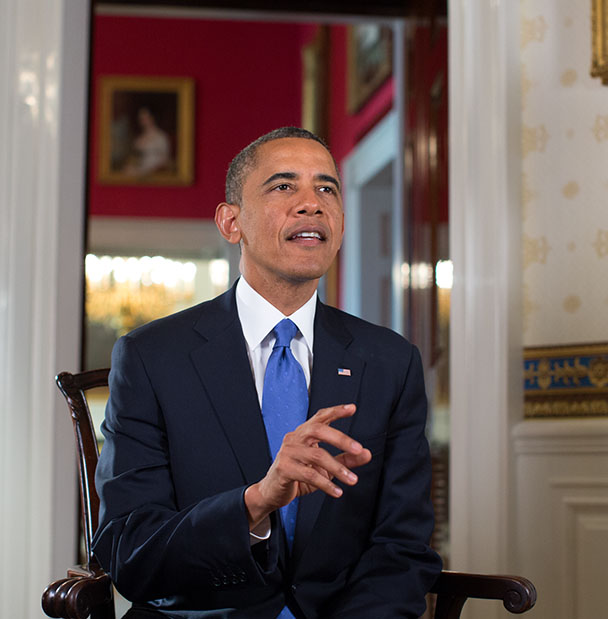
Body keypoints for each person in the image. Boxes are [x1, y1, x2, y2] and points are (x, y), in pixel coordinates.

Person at [94, 127, 441, 618]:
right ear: (230, 222)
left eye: (327, 188)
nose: (311, 204)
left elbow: (402, 548)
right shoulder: (151, 358)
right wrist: (255, 503)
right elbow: (131, 552)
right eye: (283, 186)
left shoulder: (391, 361)